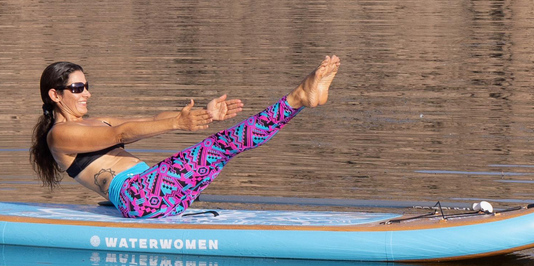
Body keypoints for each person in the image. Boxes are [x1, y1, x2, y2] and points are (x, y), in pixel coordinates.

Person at [30, 55, 341, 218]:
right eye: (77, 88)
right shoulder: (60, 135)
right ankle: (297, 99)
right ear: (55, 95)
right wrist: (179, 123)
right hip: (140, 195)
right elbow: (120, 133)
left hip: (151, 194)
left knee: (226, 146)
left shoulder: (95, 121)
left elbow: (150, 120)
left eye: (86, 86)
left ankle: (298, 101)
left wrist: (205, 114)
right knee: (221, 145)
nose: (86, 93)